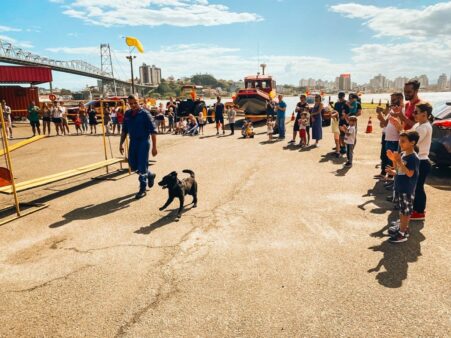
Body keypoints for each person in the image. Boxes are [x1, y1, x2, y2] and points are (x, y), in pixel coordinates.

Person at [120, 95, 158, 199]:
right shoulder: (127, 114)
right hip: (133, 142)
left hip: (143, 141)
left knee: (141, 165)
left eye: (135, 103)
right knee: (133, 165)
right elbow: (124, 130)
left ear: (139, 102)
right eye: (131, 103)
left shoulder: (145, 114)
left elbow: (153, 131)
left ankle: (142, 188)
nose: (133, 105)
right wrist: (121, 143)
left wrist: (154, 147)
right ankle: (149, 175)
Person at [386, 131, 420, 243]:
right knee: (401, 210)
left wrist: (399, 162)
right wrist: (393, 162)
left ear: (412, 143)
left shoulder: (413, 158)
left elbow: (410, 174)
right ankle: (402, 228)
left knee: (405, 212)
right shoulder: (403, 154)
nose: (400, 143)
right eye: (400, 141)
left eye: (403, 141)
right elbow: (399, 171)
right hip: (399, 187)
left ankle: (402, 233)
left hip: (407, 190)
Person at [411, 102, 433, 221]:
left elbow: (412, 141)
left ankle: (419, 211)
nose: (414, 114)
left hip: (422, 161)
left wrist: (400, 129)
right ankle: (416, 209)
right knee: (415, 186)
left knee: (418, 187)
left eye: (416, 112)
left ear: (424, 114)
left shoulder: (424, 127)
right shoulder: (419, 125)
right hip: (419, 160)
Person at [376, 93, 404, 182]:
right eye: (391, 99)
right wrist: (380, 115)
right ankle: (385, 174)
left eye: (393, 100)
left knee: (392, 159)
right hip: (387, 138)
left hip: (395, 139)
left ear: (400, 99)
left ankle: (390, 177)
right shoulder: (391, 110)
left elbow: (401, 126)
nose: (391, 102)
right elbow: (384, 124)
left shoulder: (401, 110)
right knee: (385, 157)